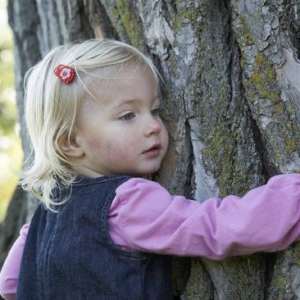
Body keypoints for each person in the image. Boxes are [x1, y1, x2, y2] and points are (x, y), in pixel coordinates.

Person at [1, 39, 300, 300]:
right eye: (129, 115)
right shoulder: (127, 203)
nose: (154, 126)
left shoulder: (44, 214)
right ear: (70, 142)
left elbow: (11, 284)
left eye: (154, 110)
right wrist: (292, 199)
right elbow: (214, 227)